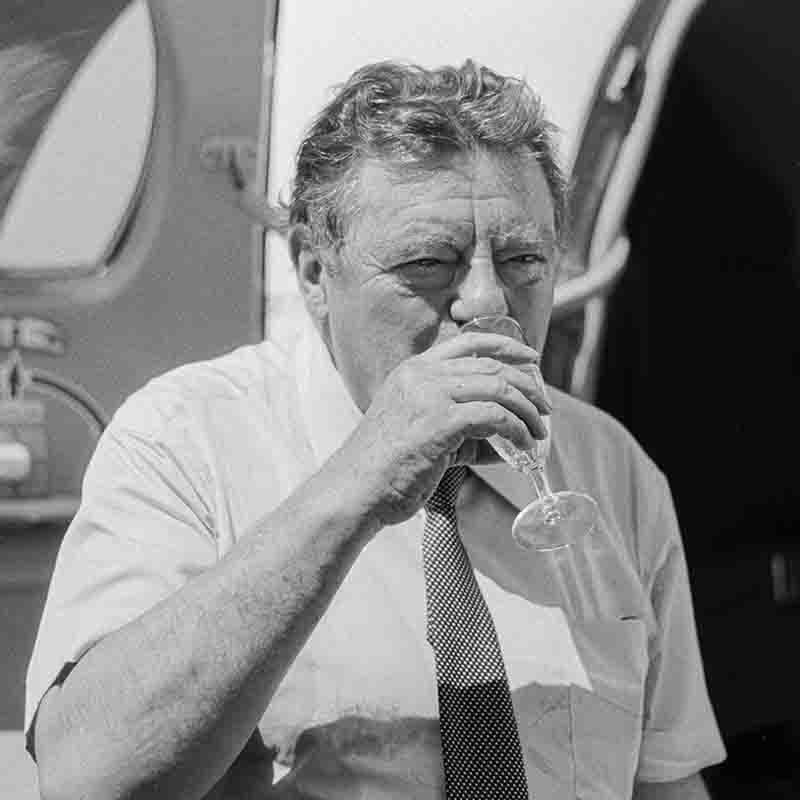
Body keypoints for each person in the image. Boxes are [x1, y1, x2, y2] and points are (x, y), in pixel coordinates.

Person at [25, 60, 725, 799]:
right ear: (314, 274)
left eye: (523, 259)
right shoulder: (186, 441)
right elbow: (87, 776)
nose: (487, 302)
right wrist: (360, 480)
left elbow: (666, 781)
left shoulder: (609, 466)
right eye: (428, 263)